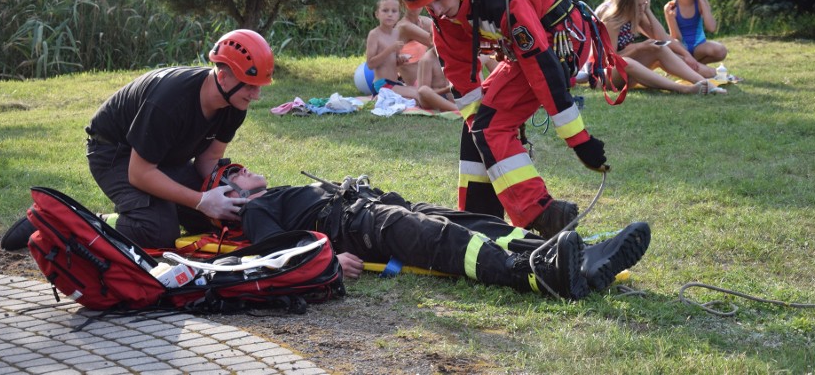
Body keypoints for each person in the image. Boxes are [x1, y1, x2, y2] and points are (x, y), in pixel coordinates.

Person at [391, 0, 620, 238]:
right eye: (425, 5)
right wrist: (479, 127)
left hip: (560, 42)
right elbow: (461, 76)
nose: (435, 9)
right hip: (524, 51)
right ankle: (479, 222)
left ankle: (545, 215)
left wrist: (579, 141)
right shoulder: (443, 13)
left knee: (489, 127)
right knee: (478, 129)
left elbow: (543, 67)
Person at [0, 29, 275, 251]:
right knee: (158, 231)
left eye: (260, 87)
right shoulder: (170, 102)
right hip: (115, 153)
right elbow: (140, 173)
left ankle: (142, 210)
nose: (256, 96)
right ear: (223, 77)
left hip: (164, 158)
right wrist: (201, 199)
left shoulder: (234, 105)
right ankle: (65, 220)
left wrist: (230, 191)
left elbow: (208, 159)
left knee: (216, 220)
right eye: (250, 86)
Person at [221, 167, 651, 300]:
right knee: (443, 240)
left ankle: (578, 256)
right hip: (362, 227)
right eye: (233, 174)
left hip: (383, 205)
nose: (244, 170)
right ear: (232, 195)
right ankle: (535, 273)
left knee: (479, 224)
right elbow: (270, 253)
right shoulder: (257, 208)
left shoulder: (275, 193)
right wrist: (327, 260)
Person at [595, 0, 725, 95]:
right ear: (626, 4)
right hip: (607, 76)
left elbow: (661, 37)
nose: (641, 9)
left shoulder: (635, 14)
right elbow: (610, 59)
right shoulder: (612, 21)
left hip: (629, 73)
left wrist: (648, 11)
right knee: (627, 62)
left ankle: (704, 83)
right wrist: (639, 47)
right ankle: (684, 89)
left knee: (660, 48)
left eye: (643, 4)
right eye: (638, 5)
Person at [366, 0, 458, 112]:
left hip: (421, 79)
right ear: (403, 4)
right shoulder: (403, 27)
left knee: (479, 57)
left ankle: (470, 98)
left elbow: (444, 38)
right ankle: (457, 109)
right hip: (401, 83)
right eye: (385, 11)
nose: (415, 5)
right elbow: (435, 41)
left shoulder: (424, 21)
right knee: (438, 62)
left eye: (418, 1)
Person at [663, 0, 728, 67]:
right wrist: (671, 18)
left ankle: (696, 65)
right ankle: (688, 66)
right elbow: (676, 38)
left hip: (699, 46)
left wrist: (702, 0)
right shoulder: (671, 6)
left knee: (721, 51)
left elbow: (712, 28)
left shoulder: (701, 3)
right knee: (666, 50)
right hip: (681, 47)